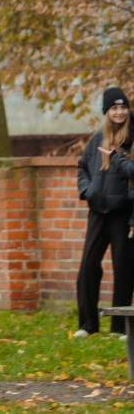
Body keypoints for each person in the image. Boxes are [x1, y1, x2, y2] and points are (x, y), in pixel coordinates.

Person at [75, 86, 134, 338]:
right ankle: (87, 325)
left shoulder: (132, 138)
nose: (119, 112)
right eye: (114, 108)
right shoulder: (97, 139)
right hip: (97, 211)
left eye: (123, 107)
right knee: (88, 265)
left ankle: (120, 326)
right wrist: (88, 191)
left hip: (123, 212)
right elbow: (81, 169)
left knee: (123, 269)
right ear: (106, 111)